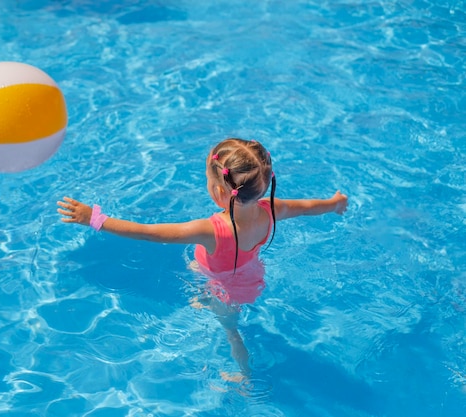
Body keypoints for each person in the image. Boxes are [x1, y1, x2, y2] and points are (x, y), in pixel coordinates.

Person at [57, 137, 348, 378]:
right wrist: (335, 204)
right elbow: (309, 206)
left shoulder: (210, 231)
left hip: (225, 291)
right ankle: (208, 299)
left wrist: (94, 218)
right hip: (251, 275)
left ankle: (245, 375)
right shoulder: (271, 210)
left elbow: (150, 233)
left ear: (219, 191)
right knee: (203, 277)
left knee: (231, 331)